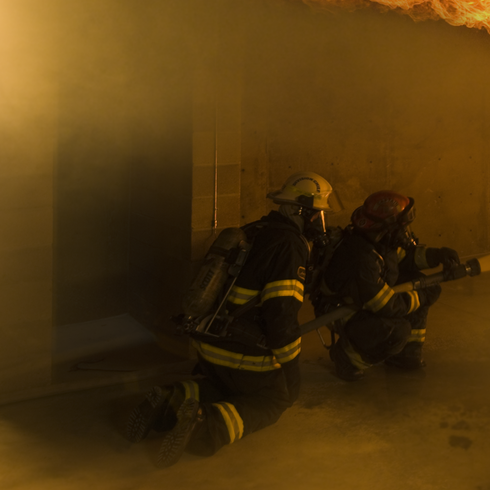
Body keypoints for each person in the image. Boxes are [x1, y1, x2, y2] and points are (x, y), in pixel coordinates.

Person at [125, 171, 336, 467]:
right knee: (274, 400)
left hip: (210, 344)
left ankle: (170, 400)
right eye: (316, 214)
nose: (319, 223)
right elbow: (281, 316)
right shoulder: (290, 245)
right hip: (243, 354)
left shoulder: (252, 230)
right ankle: (206, 426)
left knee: (228, 390)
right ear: (298, 210)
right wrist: (291, 370)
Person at [311, 190, 462, 381]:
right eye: (402, 227)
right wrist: (422, 295)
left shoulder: (379, 242)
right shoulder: (360, 257)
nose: (405, 233)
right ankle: (347, 358)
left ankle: (406, 355)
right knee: (396, 330)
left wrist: (437, 255)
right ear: (387, 227)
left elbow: (405, 259)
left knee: (416, 279)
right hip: (342, 310)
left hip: (363, 299)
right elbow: (385, 305)